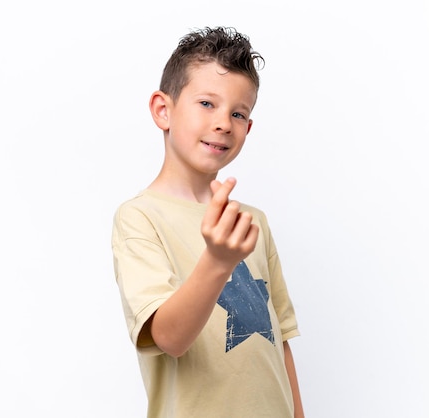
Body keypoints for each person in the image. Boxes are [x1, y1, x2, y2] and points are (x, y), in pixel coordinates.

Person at [111, 26, 304, 418]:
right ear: (163, 110)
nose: (223, 123)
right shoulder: (139, 218)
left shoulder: (253, 222)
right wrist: (217, 261)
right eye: (206, 104)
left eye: (238, 113)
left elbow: (279, 341)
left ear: (248, 129)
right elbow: (169, 337)